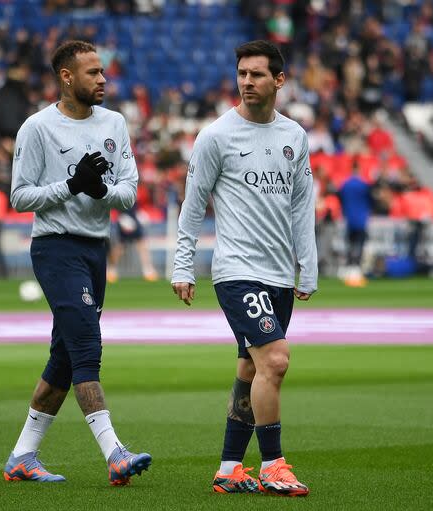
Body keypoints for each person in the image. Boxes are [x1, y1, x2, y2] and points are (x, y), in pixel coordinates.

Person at [171, 40, 316, 497]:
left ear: (279, 80)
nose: (247, 81)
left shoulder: (294, 137)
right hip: (236, 270)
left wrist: (306, 267)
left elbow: (301, 206)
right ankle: (273, 465)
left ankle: (229, 467)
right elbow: (194, 205)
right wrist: (182, 265)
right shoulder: (216, 136)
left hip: (277, 275)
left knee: (251, 371)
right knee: (276, 359)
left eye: (256, 74)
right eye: (242, 74)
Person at [6, 40, 151, 485]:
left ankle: (21, 457)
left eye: (103, 72)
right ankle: (115, 453)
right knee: (87, 347)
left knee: (64, 358)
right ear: (66, 77)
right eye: (92, 73)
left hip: (94, 248)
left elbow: (129, 190)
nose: (103, 80)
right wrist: (70, 185)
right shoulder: (37, 128)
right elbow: (19, 197)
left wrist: (99, 190)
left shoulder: (114, 123)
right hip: (55, 248)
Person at [338, 161, 372, 286]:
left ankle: (348, 268)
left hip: (349, 218)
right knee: (360, 245)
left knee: (350, 244)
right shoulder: (364, 185)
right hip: (361, 219)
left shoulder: (345, 185)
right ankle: (356, 269)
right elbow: (371, 200)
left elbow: (340, 198)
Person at [106, 205, 159, 283]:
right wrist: (122, 218)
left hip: (134, 218)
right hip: (124, 218)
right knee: (120, 247)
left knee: (141, 245)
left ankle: (148, 270)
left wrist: (139, 214)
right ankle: (111, 270)